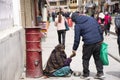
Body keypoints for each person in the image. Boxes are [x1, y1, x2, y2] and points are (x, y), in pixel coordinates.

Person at [70, 12, 104, 79]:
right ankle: (100, 73)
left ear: (74, 20)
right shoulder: (91, 18)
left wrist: (74, 49)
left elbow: (77, 38)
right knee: (97, 58)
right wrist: (101, 39)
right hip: (98, 41)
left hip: (88, 43)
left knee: (85, 59)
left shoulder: (77, 25)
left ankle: (86, 74)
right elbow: (99, 28)